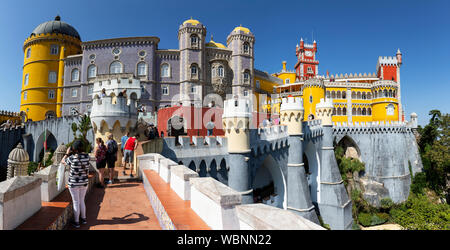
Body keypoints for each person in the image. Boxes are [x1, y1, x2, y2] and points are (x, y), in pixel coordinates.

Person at [61, 139, 90, 228]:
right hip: (84, 182)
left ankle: (77, 222)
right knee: (82, 200)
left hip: (74, 184)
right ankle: (84, 219)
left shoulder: (72, 158)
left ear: (75, 148)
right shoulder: (87, 156)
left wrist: (66, 153)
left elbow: (62, 161)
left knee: (76, 202)